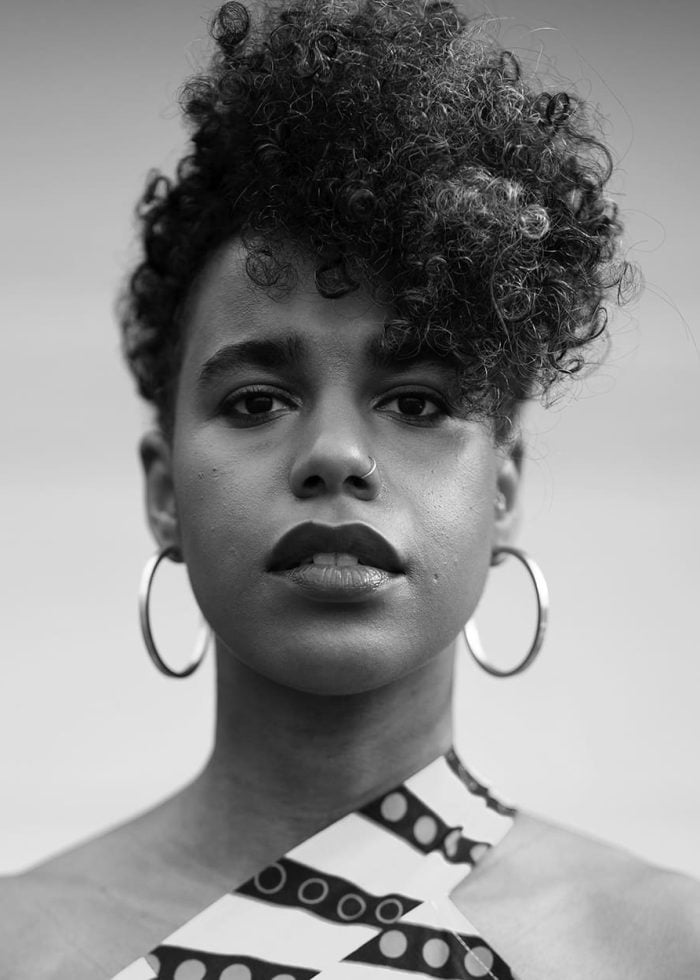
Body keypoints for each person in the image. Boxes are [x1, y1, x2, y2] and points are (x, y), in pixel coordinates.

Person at [2, 1, 699, 977]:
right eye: (255, 399)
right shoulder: (21, 946)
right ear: (164, 489)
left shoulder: (664, 947)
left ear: (501, 489)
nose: (335, 453)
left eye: (415, 402)